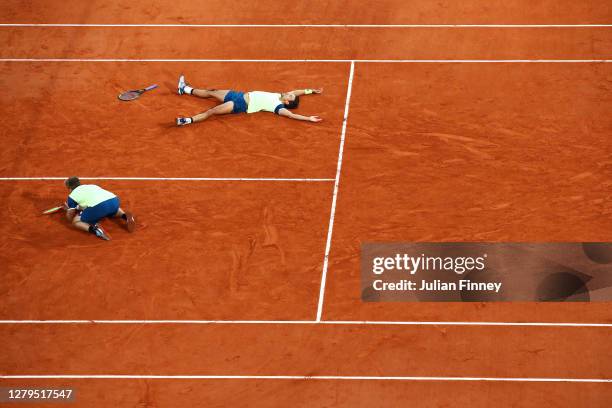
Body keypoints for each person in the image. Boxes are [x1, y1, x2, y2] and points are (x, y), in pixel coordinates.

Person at [175, 75, 324, 126]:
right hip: (238, 95)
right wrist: (310, 91)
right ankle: (185, 89)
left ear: (287, 102)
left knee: (212, 111)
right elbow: (297, 92)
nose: (290, 93)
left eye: (290, 96)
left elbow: (292, 115)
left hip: (240, 104)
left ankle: (187, 120)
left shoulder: (278, 106)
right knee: (211, 92)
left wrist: (308, 118)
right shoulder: (281, 95)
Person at [63, 177, 135, 241]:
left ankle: (96, 230)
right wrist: (78, 207)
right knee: (110, 208)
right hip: (114, 201)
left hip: (99, 207)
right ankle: (125, 216)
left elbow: (70, 216)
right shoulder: (92, 186)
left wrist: (68, 210)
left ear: (69, 188)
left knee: (76, 221)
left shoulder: (72, 196)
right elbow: (91, 201)